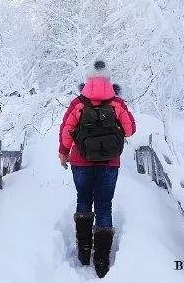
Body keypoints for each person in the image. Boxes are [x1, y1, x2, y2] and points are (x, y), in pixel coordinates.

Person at [58, 60, 136, 278]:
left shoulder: (78, 103)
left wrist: (64, 152)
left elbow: (66, 130)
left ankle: (84, 252)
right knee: (104, 205)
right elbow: (130, 131)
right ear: (109, 80)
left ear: (88, 79)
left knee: (83, 199)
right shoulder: (116, 103)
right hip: (109, 163)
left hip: (80, 162)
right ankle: (101, 261)